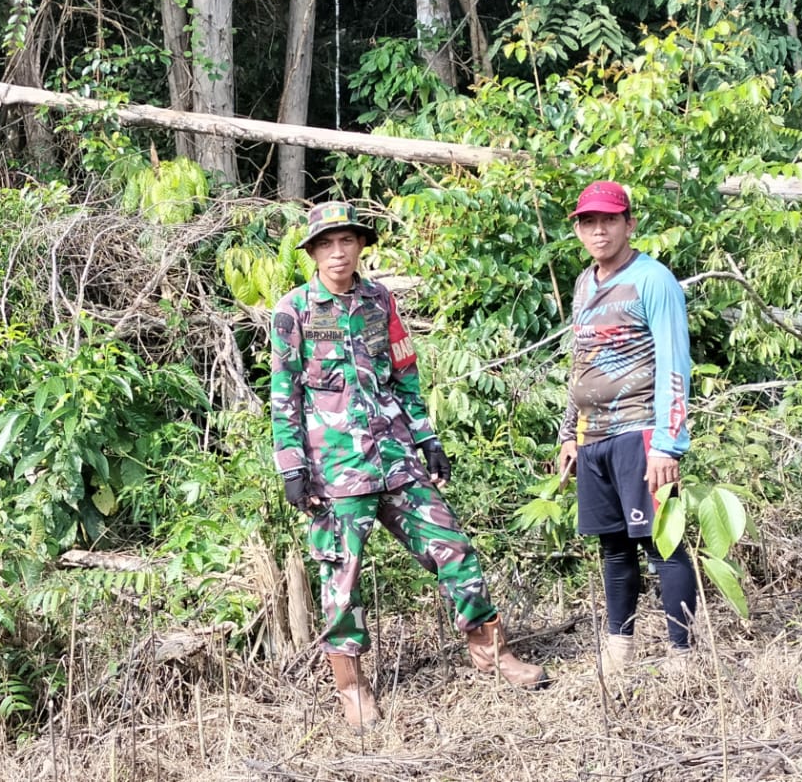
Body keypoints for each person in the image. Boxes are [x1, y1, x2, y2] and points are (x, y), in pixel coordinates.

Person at [271, 201, 546, 732]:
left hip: (395, 458)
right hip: (335, 472)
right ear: (312, 252)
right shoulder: (294, 310)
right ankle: (352, 689)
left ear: (359, 246)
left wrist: (429, 439)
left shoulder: (380, 301)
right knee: (341, 581)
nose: (337, 252)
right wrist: (291, 467)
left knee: (453, 547)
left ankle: (491, 653)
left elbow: (405, 377)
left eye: (346, 241)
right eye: (326, 244)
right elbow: (284, 396)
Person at [556, 180, 697, 670]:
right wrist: (569, 435)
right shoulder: (583, 283)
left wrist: (668, 444)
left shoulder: (653, 280)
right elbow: (581, 362)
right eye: (589, 222)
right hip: (593, 440)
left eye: (610, 220)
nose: (599, 230)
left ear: (629, 224)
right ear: (578, 229)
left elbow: (675, 364)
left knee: (664, 545)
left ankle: (682, 654)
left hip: (641, 432)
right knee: (614, 548)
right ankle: (620, 650)